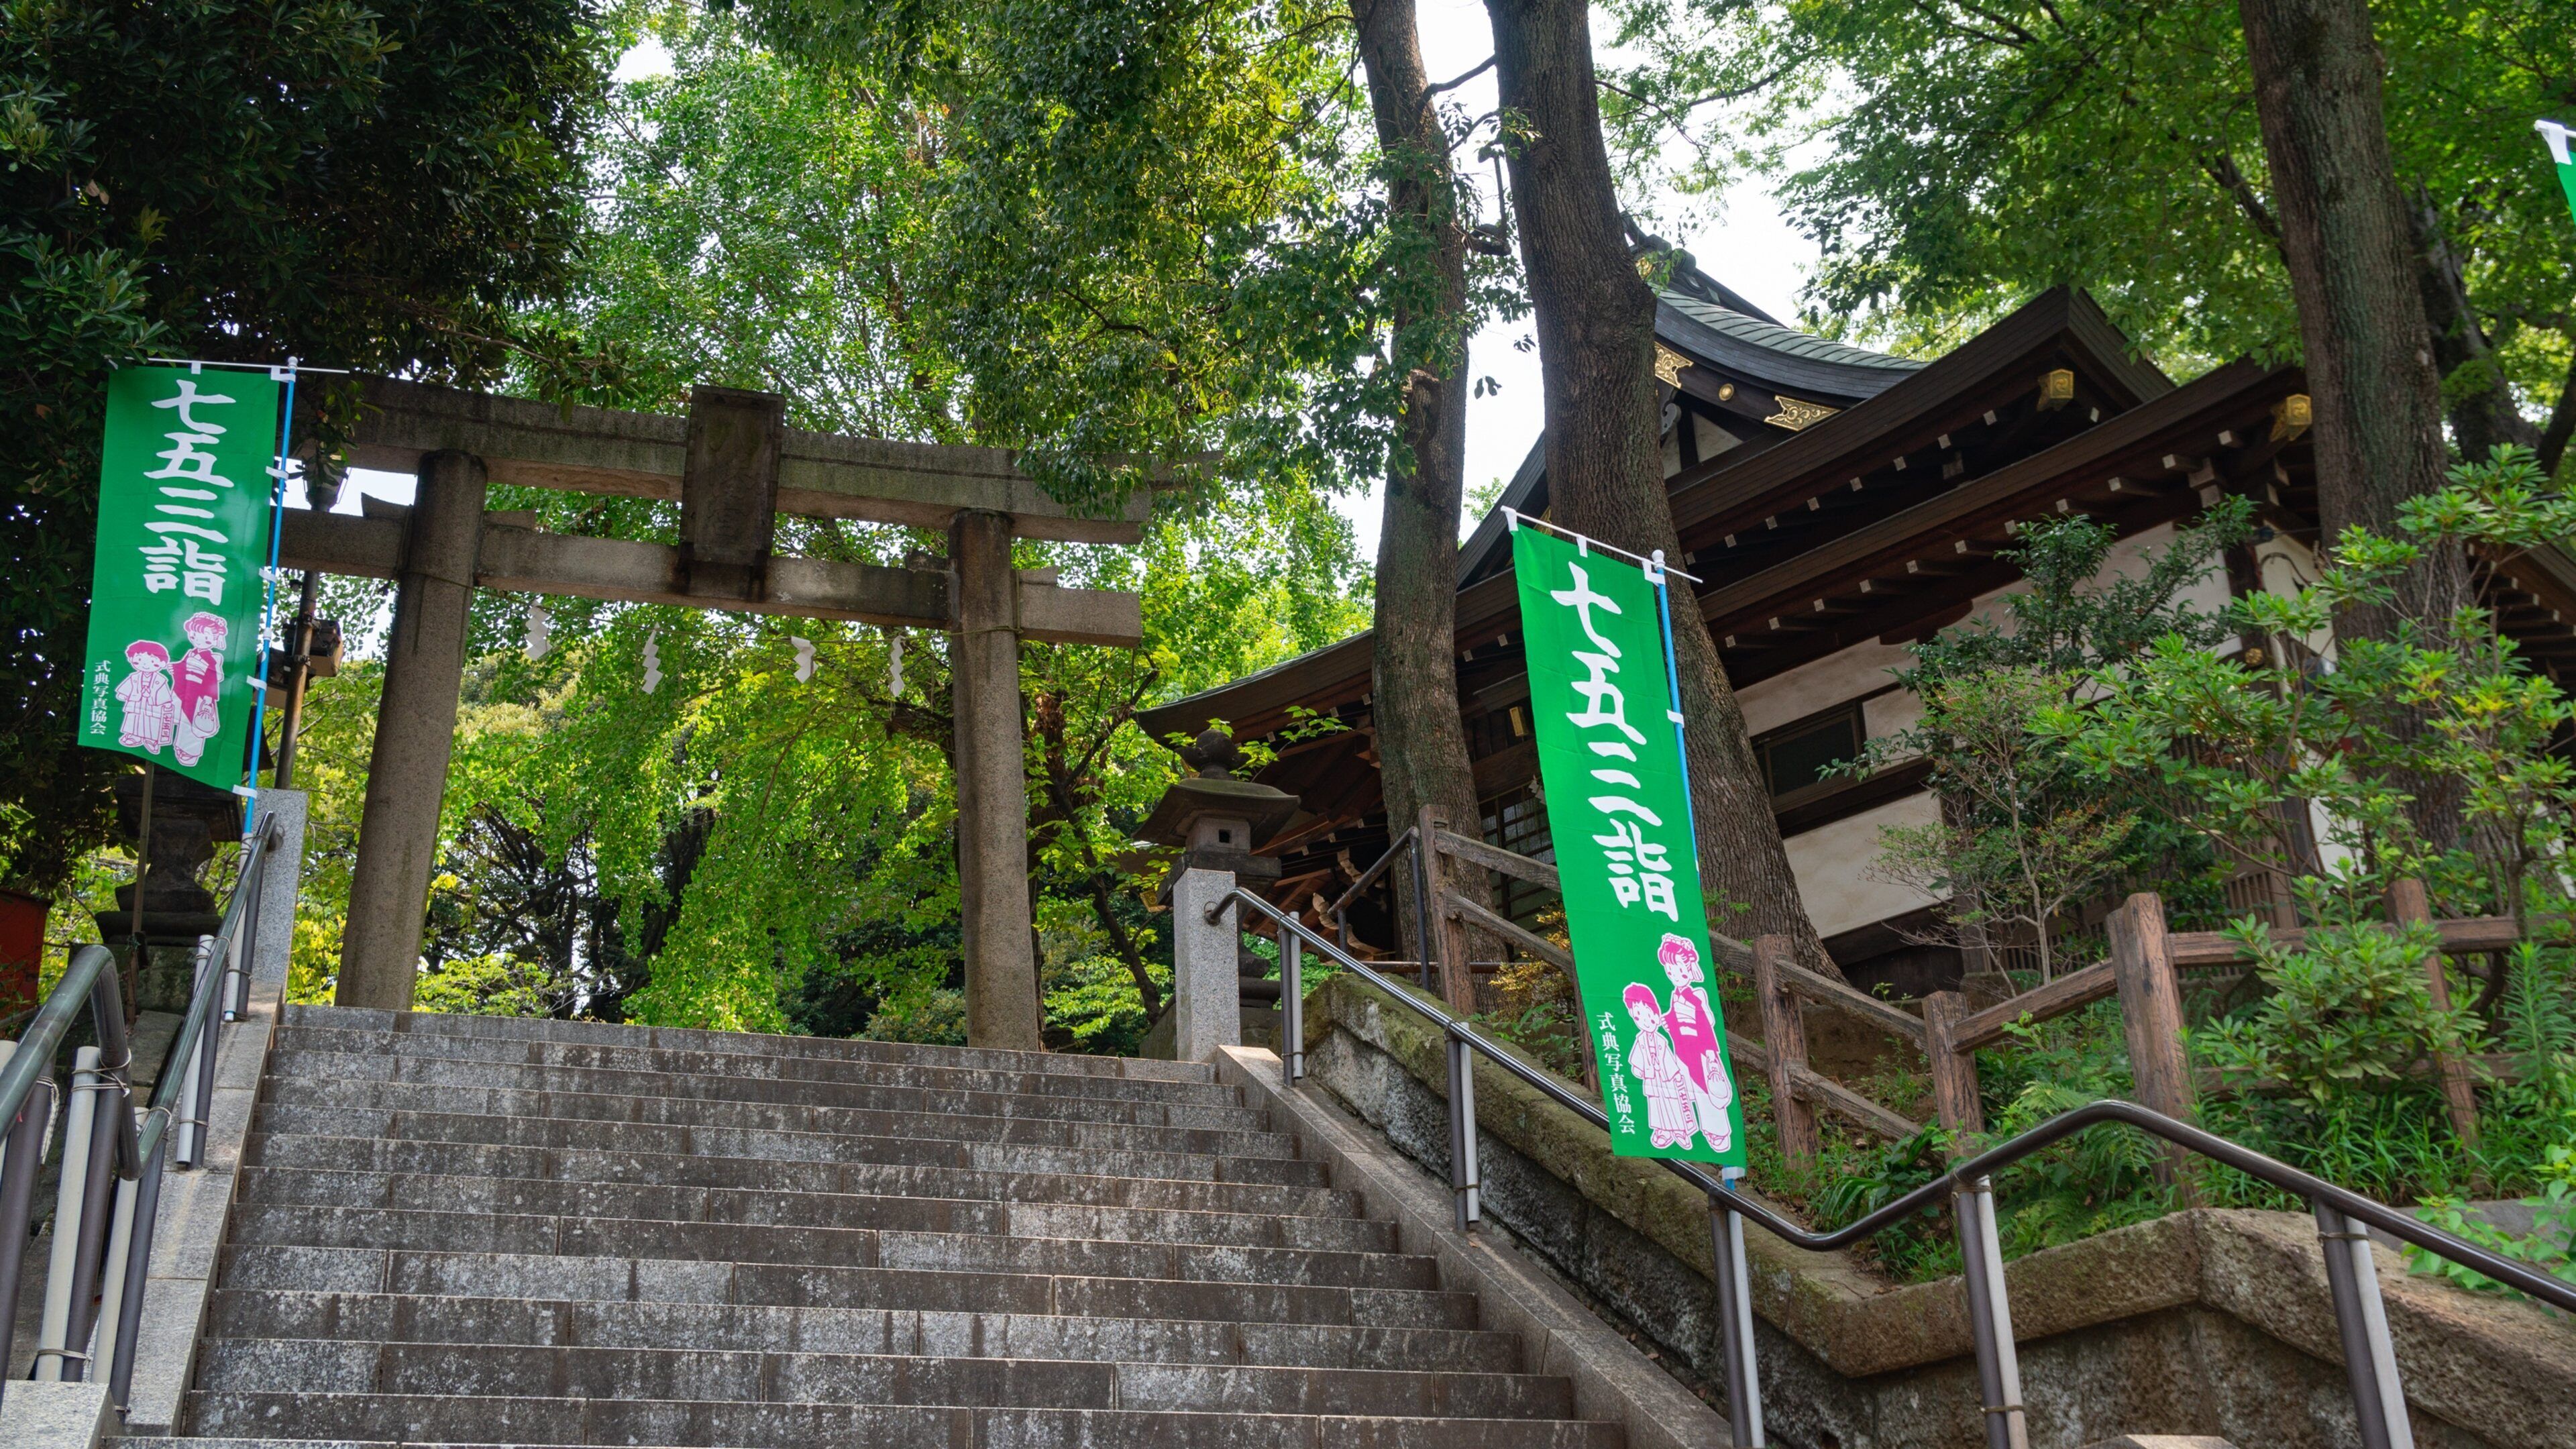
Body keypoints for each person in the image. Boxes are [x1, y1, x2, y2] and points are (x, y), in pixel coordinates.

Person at [1658, 933, 1735, 1152]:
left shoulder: (1698, 993)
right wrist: (1669, 1020)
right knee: (1689, 1091)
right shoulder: (1674, 995)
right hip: (1682, 1050)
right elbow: (1673, 1018)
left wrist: (1711, 1055)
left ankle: (1718, 1131)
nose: (1675, 975)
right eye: (1670, 970)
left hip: (1702, 1051)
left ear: (1689, 968)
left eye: (1679, 970)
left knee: (1708, 1091)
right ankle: (1697, 1128)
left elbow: (1708, 1021)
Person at [1623, 981, 1698, 1150]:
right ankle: (1663, 1131)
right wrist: (1639, 1069)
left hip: (1667, 1079)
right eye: (1638, 1018)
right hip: (1651, 1080)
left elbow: (1669, 1061)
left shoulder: (1661, 1040)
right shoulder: (1640, 1040)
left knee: (1673, 1105)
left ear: (1657, 1015)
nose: (1645, 1022)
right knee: (1657, 1106)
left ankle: (1680, 1131)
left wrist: (1676, 1075)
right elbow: (1636, 1060)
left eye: (1649, 1016)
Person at [171, 612, 227, 767]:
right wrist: (175, 668)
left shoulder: (212, 658)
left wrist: (209, 700)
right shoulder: (191, 652)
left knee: (196, 724)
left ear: (212, 639)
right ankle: (179, 747)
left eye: (203, 636)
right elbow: (181, 666)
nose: (196, 639)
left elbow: (213, 678)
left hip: (201, 696)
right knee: (184, 722)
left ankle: (191, 752)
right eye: (194, 635)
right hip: (186, 692)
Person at [115, 640, 178, 753]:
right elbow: (127, 688)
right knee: (134, 720)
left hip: (153, 705)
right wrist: (123, 694)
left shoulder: (160, 680)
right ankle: (135, 736)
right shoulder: (134, 677)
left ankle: (151, 739)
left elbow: (164, 694)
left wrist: (166, 703)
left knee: (151, 722)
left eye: (152, 662)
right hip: (136, 703)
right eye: (139, 660)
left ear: (162, 664)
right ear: (131, 660)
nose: (145, 665)